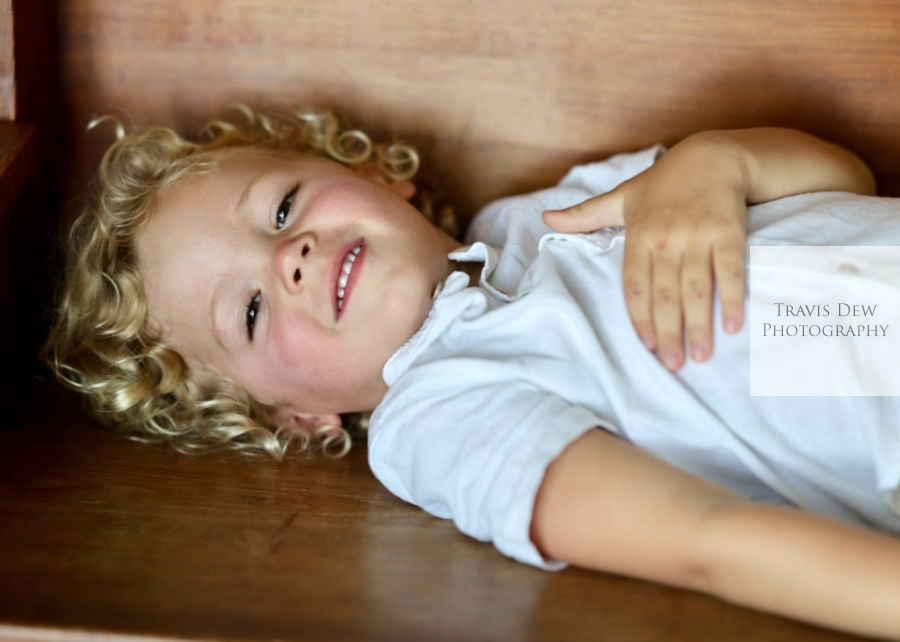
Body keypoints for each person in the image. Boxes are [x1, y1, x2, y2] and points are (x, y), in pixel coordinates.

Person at [45, 106, 900, 638]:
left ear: (374, 175)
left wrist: (718, 161)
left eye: (281, 208)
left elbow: (844, 178)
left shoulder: (548, 212)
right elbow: (706, 540)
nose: (289, 257)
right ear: (295, 417)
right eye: (252, 313)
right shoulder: (438, 415)